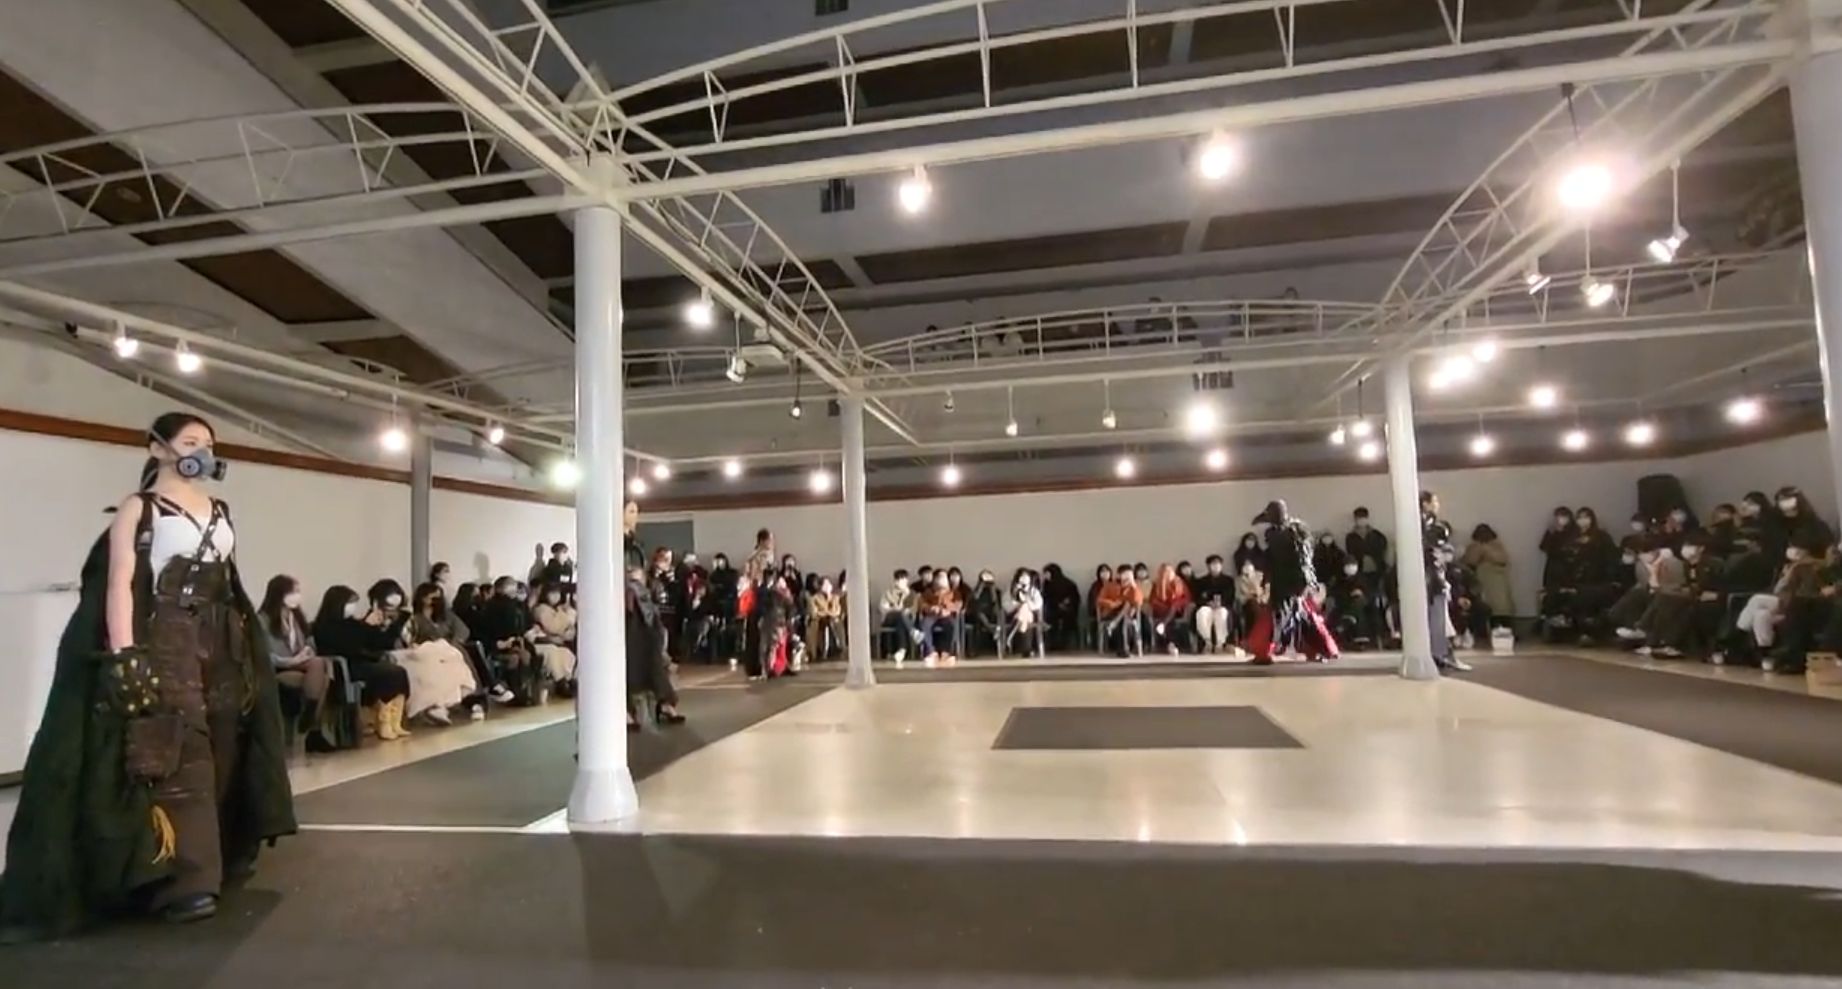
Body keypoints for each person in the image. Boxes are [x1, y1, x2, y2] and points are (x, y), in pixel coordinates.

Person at [0, 413, 295, 940]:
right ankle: (184, 881)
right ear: (158, 448)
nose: (201, 451)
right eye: (190, 442)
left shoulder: (219, 509)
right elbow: (120, 583)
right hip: (166, 639)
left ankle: (215, 856)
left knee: (226, 744)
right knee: (180, 752)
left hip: (221, 643)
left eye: (208, 443)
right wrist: (125, 653)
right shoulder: (140, 508)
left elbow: (229, 583)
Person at [1246, 500, 1339, 664]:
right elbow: (1272, 559)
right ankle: (1322, 650)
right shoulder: (1279, 532)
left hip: (1291, 583)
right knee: (1300, 617)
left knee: (1281, 618)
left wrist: (1305, 583)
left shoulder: (1293, 533)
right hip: (1283, 582)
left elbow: (1303, 561)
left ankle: (1264, 653)